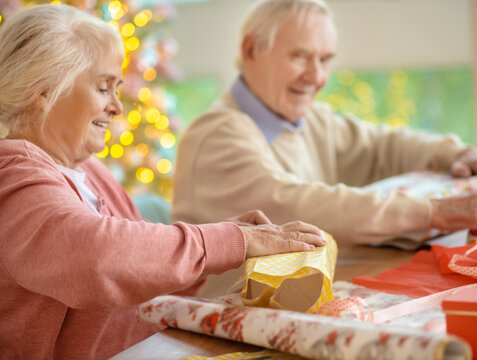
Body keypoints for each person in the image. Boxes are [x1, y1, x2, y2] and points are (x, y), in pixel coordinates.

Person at [0, 5, 326, 359]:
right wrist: (231, 242)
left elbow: (137, 277)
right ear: (43, 90)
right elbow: (97, 257)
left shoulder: (89, 170)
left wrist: (226, 238)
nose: (117, 107)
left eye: (117, 88)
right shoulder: (14, 178)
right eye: (102, 87)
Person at [171, 0, 477, 246]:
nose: (317, 76)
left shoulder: (308, 119)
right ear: (250, 50)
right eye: (300, 56)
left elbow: (383, 146)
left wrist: (456, 152)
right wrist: (432, 212)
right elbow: (299, 205)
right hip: (217, 326)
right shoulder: (216, 134)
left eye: (324, 59)